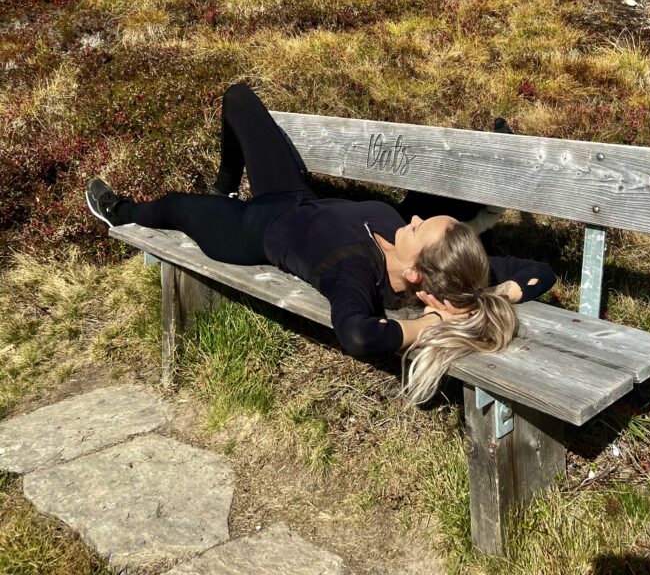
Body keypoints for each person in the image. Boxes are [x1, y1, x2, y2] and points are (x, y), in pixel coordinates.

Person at [86, 82, 556, 404]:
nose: (410, 220)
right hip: (291, 195)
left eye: (418, 228)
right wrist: (495, 295)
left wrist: (426, 327)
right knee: (238, 97)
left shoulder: (352, 271)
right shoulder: (455, 273)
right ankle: (223, 184)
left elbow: (357, 334)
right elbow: (540, 272)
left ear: (416, 274)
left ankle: (119, 211)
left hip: (248, 230)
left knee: (172, 207)